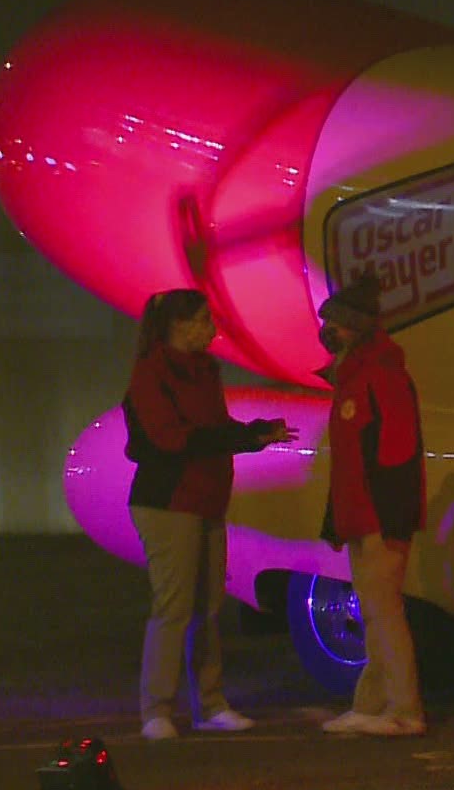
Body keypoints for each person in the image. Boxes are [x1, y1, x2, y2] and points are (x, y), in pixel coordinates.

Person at [124, 288, 295, 742]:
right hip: (169, 502)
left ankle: (210, 704)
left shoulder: (203, 371)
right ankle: (156, 709)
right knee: (174, 608)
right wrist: (239, 439)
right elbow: (174, 439)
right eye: (202, 321)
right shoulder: (152, 374)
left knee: (207, 608)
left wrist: (254, 435)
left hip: (205, 500)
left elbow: (212, 431)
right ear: (177, 327)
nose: (211, 329)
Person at [314, 272, 429, 737]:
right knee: (378, 611)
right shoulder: (357, 374)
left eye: (336, 325)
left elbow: (394, 453)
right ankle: (372, 703)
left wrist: (386, 518)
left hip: (378, 517)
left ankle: (405, 710)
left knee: (384, 612)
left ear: (355, 327)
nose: (327, 332)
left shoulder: (379, 374)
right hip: (364, 517)